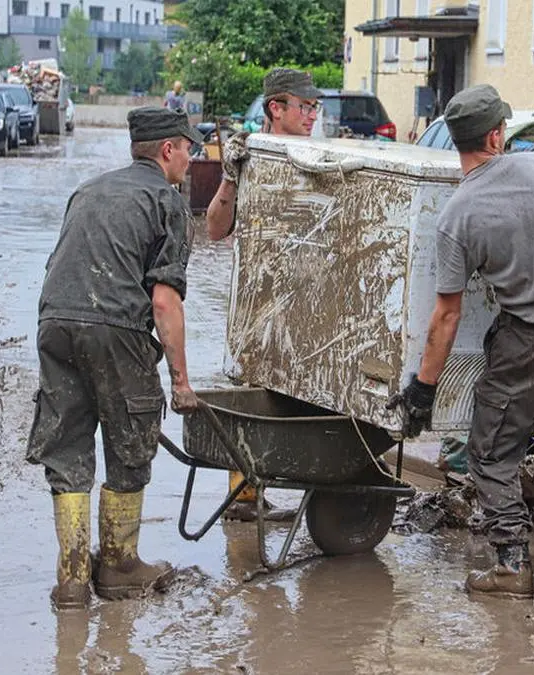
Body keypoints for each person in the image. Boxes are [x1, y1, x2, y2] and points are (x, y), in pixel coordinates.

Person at [388, 84, 534, 599]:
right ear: (496, 134)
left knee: (490, 452)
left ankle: (512, 564)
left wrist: (424, 388)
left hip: (529, 339)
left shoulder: (457, 216)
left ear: (456, 140)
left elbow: (446, 316)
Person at [27, 106, 203, 610]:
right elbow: (165, 301)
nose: (191, 159)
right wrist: (181, 382)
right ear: (167, 150)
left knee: (67, 446)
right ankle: (121, 566)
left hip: (54, 323)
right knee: (130, 442)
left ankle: (72, 580)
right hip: (115, 329)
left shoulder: (89, 189)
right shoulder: (166, 202)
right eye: (188, 148)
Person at [204, 67, 322, 522]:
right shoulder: (249, 156)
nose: (312, 115)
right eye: (305, 106)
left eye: (315, 107)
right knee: (252, 396)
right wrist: (231, 177)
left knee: (304, 398)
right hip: (255, 302)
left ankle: (300, 488)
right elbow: (214, 229)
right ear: (277, 108)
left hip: (305, 301)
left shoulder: (318, 158)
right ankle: (245, 498)